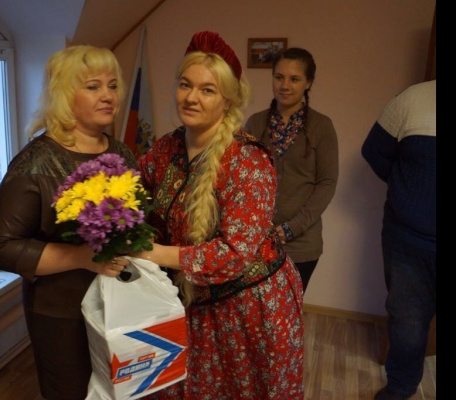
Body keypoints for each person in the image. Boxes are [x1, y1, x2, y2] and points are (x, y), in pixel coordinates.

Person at [131, 31, 304, 399]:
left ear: (228, 99)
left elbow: (235, 254)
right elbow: (132, 191)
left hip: (247, 309)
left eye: (207, 90)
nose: (191, 97)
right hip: (191, 302)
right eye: (185, 85)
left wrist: (154, 253)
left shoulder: (248, 161)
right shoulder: (166, 148)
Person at [0, 45, 136, 400]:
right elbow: (0, 247)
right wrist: (81, 257)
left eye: (112, 86)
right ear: (65, 95)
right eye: (93, 86)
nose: (108, 96)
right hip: (61, 314)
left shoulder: (122, 153)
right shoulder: (35, 162)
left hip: (118, 304)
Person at [362, 79, 436, 400]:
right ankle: (400, 388)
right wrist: (406, 189)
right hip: (407, 242)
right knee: (407, 323)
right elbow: (374, 151)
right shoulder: (412, 100)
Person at [244, 47, 339, 293]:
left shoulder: (322, 126)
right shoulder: (255, 122)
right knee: (253, 309)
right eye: (279, 77)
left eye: (294, 79)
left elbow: (327, 183)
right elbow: (243, 178)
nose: (285, 85)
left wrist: (291, 228)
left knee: (288, 310)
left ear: (308, 83)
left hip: (301, 244)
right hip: (257, 240)